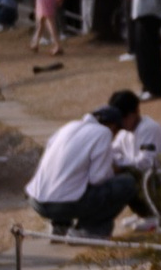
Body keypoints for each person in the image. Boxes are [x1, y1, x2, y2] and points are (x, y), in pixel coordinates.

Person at [28, 87, 154, 239]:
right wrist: (114, 170)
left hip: (37, 201)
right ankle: (92, 230)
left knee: (71, 180)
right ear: (112, 126)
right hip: (61, 205)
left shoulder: (69, 126)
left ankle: (60, 226)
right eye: (117, 132)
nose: (115, 136)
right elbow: (98, 179)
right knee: (127, 183)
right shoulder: (103, 132)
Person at [114, 102, 161, 218]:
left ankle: (154, 215)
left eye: (124, 117)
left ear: (136, 112)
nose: (121, 123)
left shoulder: (149, 129)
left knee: (127, 175)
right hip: (150, 182)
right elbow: (112, 153)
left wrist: (119, 163)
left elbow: (146, 163)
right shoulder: (124, 133)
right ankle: (143, 214)